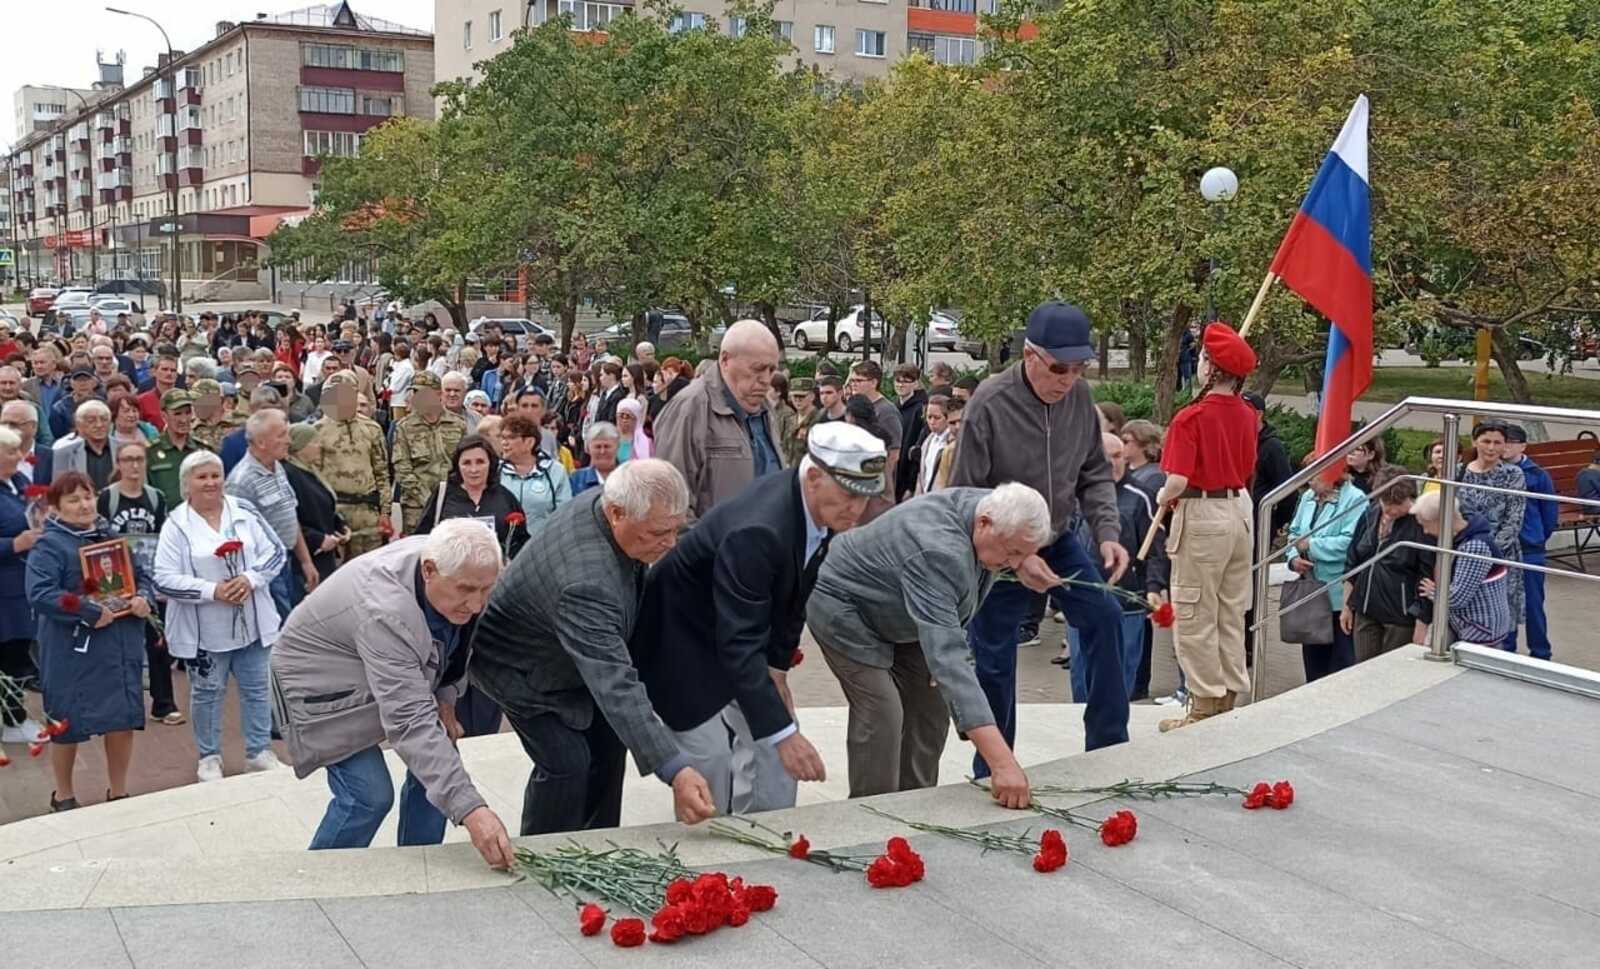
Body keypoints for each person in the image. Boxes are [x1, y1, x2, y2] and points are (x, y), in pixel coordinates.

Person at [633, 424, 885, 813]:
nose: (858, 509)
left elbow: (793, 600)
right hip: (679, 641)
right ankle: (707, 858)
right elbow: (740, 642)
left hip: (732, 628)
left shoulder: (817, 506)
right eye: (850, 495)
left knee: (777, 740)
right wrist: (783, 734)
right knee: (712, 757)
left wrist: (778, 668)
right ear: (815, 476)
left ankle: (768, 834)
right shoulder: (760, 529)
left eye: (866, 497)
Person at [468, 460, 717, 836]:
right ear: (617, 513)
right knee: (567, 762)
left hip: (563, 647)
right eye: (660, 533)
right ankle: (546, 853)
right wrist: (675, 769)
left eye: (675, 529)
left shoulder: (611, 502)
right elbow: (614, 681)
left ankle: (599, 839)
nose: (670, 543)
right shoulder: (586, 583)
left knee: (610, 742)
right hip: (519, 667)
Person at [273, 519, 516, 869]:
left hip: (375, 665)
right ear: (429, 570)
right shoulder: (385, 610)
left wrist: (446, 698)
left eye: (485, 590)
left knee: (437, 753)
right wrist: (472, 810)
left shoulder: (452, 565)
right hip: (318, 686)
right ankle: (317, 881)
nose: (477, 605)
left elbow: (453, 647)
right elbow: (409, 722)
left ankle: (420, 865)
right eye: (466, 590)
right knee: (368, 796)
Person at [951, 302, 1129, 770]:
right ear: (1030, 355)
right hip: (998, 549)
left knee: (1105, 617)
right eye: (1058, 367)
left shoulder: (1079, 399)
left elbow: (1094, 473)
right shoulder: (988, 404)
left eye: (1079, 366)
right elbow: (964, 499)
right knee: (994, 654)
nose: (1068, 378)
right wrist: (1013, 558)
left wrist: (1107, 531)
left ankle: (1109, 746)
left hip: (1057, 536)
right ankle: (994, 767)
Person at [810, 483, 1047, 806]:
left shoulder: (989, 509)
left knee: (931, 706)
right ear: (985, 523)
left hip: (903, 609)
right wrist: (1002, 764)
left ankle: (916, 805)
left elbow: (947, 646)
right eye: (1013, 551)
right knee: (883, 713)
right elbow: (949, 658)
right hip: (843, 605)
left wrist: (1024, 558)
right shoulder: (939, 549)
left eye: (1021, 553)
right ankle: (870, 815)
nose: (1013, 562)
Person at [154, 451, 287, 783]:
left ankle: (259, 752)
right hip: (205, 630)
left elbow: (276, 552)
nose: (211, 482)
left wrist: (249, 579)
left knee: (257, 687)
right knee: (207, 692)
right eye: (202, 477)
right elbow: (163, 578)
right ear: (187, 485)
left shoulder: (244, 511)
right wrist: (212, 591)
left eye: (215, 475)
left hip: (253, 622)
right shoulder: (176, 524)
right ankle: (209, 756)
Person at [27, 471, 155, 811]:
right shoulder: (49, 545)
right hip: (73, 649)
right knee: (66, 723)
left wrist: (142, 597)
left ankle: (118, 791)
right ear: (56, 508)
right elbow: (40, 593)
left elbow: (139, 576)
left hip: (117, 644)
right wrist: (85, 610)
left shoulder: (109, 535)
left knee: (121, 719)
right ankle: (64, 795)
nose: (83, 505)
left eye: (87, 496)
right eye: (73, 500)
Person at [1153, 320, 1258, 732]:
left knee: (1196, 613)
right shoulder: (1249, 413)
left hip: (1202, 513)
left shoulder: (1190, 417)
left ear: (1212, 368)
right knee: (1231, 611)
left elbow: (1177, 481)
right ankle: (1228, 694)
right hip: (1238, 511)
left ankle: (1203, 705)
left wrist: (1162, 500)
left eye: (1201, 358)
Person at [653, 320, 784, 520]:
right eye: (758, 369)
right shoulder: (689, 409)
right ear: (725, 360)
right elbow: (668, 505)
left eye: (772, 370)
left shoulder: (765, 409)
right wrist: (711, 550)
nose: (766, 380)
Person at [98, 440, 182, 725]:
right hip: (116, 581)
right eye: (128, 459)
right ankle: (123, 703)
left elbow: (164, 536)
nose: (134, 465)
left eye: (139, 459)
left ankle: (163, 703)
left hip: (149, 580)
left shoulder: (156, 497)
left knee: (157, 641)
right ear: (119, 464)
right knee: (119, 644)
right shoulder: (106, 498)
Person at [227, 410, 320, 615]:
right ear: (261, 442)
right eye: (282, 435)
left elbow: (289, 514)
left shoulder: (277, 467)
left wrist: (306, 561)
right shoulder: (241, 482)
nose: (289, 441)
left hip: (287, 562)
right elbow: (238, 541)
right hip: (265, 572)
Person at [1283, 464, 1367, 682]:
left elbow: (1350, 543)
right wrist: (1292, 558)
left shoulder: (1355, 499)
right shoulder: (1309, 497)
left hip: (1338, 593)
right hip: (1310, 589)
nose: (1309, 483)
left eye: (1314, 476)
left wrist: (1310, 545)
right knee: (1313, 661)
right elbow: (1293, 532)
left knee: (1341, 660)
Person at [1341, 467, 1433, 662]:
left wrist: (1421, 622)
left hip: (1400, 616)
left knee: (1391, 674)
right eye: (1385, 502)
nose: (1390, 509)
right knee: (1361, 671)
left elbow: (1427, 576)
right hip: (1365, 609)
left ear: (1411, 498)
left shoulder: (1421, 523)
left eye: (1398, 504)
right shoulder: (1371, 513)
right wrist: (1347, 606)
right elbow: (1352, 562)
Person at [1413, 491, 1514, 646]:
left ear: (1441, 521)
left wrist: (1432, 591)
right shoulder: (1460, 539)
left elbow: (1456, 598)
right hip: (1468, 625)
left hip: (1481, 630)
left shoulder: (1474, 547)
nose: (1425, 532)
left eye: (1425, 525)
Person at [414, 435, 530, 568]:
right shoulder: (443, 495)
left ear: (490, 463)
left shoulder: (505, 497)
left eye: (480, 462)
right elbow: (421, 538)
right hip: (452, 576)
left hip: (494, 577)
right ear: (457, 466)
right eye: (466, 463)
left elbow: (521, 541)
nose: (473, 470)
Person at [310, 371, 392, 558]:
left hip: (368, 514)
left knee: (370, 569)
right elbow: (314, 478)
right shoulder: (317, 430)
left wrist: (385, 511)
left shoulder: (371, 428)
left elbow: (382, 473)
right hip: (336, 513)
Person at [1458, 422, 1525, 626]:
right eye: (1486, 441)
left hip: (1500, 555)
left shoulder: (1513, 475)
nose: (1491, 447)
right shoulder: (1458, 472)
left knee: (1499, 619)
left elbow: (1514, 520)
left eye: (1498, 442)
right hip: (1462, 554)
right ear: (1475, 442)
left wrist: (1487, 554)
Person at [0, 426, 43, 743]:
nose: (19, 456)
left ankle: (13, 717)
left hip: (23, 582)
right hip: (3, 589)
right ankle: (13, 722)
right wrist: (13, 544)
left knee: (17, 651)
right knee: (9, 653)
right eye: (11, 451)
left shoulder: (19, 482)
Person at [1500, 424, 1556, 660]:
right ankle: (1506, 647)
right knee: (1504, 601)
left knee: (1533, 603)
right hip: (1503, 546)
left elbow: (1549, 511)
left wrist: (1538, 536)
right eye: (1505, 441)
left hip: (1530, 547)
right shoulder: (1496, 471)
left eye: (1512, 442)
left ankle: (1541, 652)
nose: (1506, 446)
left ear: (1523, 446)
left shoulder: (1537, 474)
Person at [393, 371, 468, 535]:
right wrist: (427, 499)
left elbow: (465, 462)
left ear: (438, 394)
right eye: (415, 392)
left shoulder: (458, 424)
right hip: (417, 506)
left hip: (451, 501)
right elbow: (402, 468)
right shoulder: (405, 427)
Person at [283, 424, 348, 582]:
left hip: (324, 553)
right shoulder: (290, 475)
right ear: (300, 446)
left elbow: (324, 506)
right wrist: (317, 539)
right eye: (314, 442)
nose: (320, 446)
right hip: (308, 556)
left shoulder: (311, 472)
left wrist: (341, 527)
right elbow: (290, 518)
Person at [498, 415, 571, 531]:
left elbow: (564, 513)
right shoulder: (495, 471)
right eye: (502, 438)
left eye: (511, 438)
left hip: (543, 544)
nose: (504, 443)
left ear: (529, 442)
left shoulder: (555, 471)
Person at [848, 361, 904, 502]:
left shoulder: (886, 411)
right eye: (852, 380)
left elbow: (894, 453)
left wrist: (882, 485)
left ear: (874, 382)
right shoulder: (856, 406)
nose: (853, 384)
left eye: (859, 380)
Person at [145, 390, 205, 512]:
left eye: (187, 413)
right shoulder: (150, 451)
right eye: (177, 414)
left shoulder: (203, 451)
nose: (184, 420)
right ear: (164, 416)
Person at [51, 398, 116, 491]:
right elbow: (60, 491)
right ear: (79, 425)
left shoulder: (125, 449)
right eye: (91, 421)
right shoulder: (64, 454)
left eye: (104, 419)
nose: (99, 425)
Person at [2, 400, 52, 483]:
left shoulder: (51, 458)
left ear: (34, 426)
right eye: (3, 424)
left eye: (14, 424)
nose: (8, 429)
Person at [570, 422, 620, 496]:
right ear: (588, 449)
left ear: (617, 448)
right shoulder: (576, 480)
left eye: (607, 446)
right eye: (598, 447)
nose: (602, 451)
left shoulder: (628, 479)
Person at [916, 395, 952, 496]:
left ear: (947, 417)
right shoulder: (928, 441)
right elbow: (922, 475)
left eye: (937, 418)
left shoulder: (952, 442)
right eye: (929, 417)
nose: (932, 422)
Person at [615, 397, 651, 461]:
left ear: (636, 419)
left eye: (628, 416)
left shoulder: (643, 442)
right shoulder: (610, 437)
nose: (624, 420)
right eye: (621, 415)